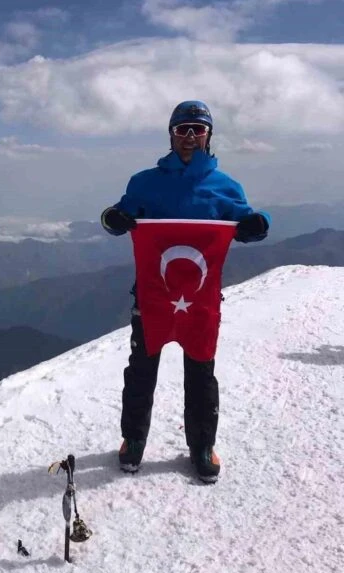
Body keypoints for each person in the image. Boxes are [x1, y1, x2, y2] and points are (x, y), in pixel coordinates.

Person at [100, 100, 271, 483]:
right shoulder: (144, 182)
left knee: (201, 371)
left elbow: (246, 219)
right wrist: (112, 218)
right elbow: (119, 214)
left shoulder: (226, 186)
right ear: (171, 134)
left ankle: (201, 446)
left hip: (198, 299)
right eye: (183, 129)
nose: (190, 137)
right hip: (153, 294)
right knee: (142, 370)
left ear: (209, 134)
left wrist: (257, 224)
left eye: (198, 128)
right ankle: (134, 440)